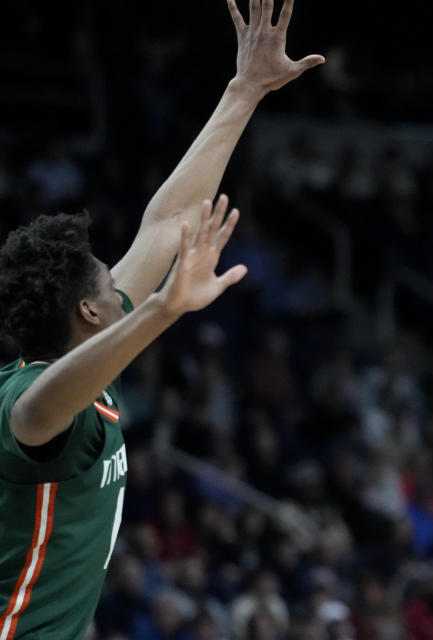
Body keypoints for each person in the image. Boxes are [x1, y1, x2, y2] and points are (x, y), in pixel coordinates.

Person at [0, 1, 324, 638]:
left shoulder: (90, 350)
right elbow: (34, 412)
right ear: (91, 313)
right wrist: (161, 308)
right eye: (109, 281)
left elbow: (169, 222)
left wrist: (245, 91)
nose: (122, 281)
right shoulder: (27, 398)